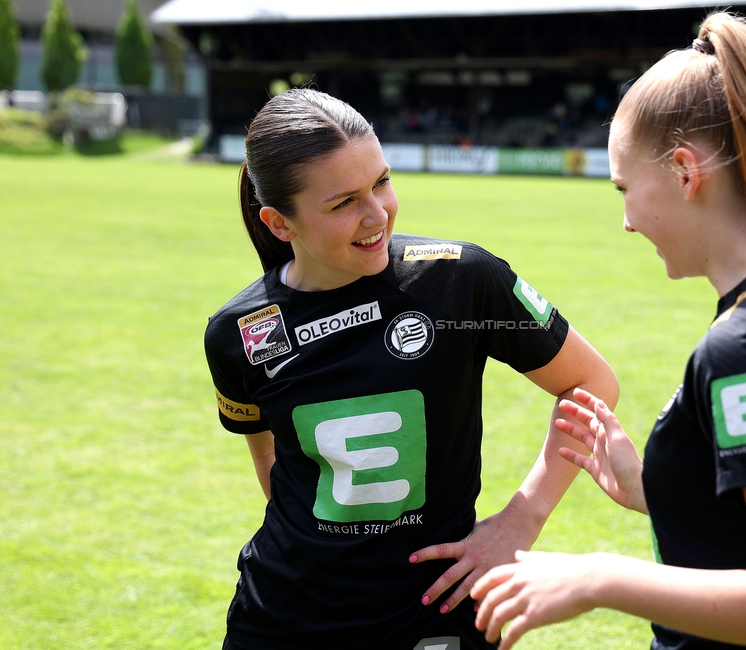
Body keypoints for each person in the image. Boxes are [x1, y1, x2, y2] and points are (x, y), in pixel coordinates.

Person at [471, 12, 746, 650]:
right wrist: (655, 487)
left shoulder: (745, 350)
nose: (628, 222)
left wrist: (598, 578)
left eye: (623, 189)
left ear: (686, 173)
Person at [203, 88, 619, 649]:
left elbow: (592, 384)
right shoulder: (238, 332)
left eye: (381, 181)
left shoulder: (461, 280)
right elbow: (270, 465)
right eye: (342, 202)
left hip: (436, 609)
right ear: (279, 224)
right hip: (285, 615)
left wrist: (521, 521)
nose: (378, 214)